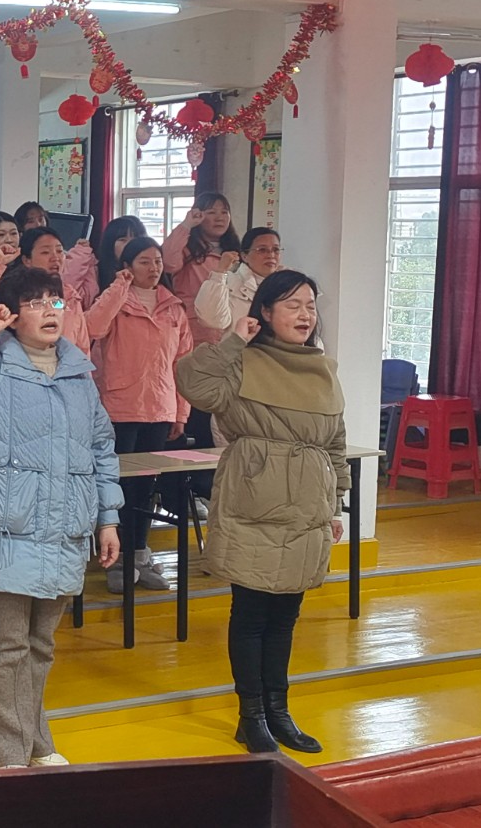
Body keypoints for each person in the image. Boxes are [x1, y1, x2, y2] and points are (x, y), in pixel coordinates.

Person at [0, 267, 122, 769]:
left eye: (55, 302)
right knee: (8, 645)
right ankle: (11, 756)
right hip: (3, 529)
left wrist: (108, 519)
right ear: (12, 315)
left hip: (63, 530)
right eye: (35, 303)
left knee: (41, 645)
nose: (49, 311)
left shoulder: (79, 376)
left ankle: (36, 742)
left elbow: (101, 449)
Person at [175, 270, 347, 755]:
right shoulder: (242, 361)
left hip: (308, 507)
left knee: (285, 615)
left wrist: (336, 505)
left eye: (310, 305)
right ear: (265, 312)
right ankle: (250, 715)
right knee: (251, 614)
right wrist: (234, 339)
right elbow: (192, 381)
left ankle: (279, 711)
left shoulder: (323, 368)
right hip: (254, 501)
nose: (305, 314)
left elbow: (335, 442)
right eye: (292, 304)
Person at [84, 236, 193, 593]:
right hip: (119, 406)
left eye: (157, 261)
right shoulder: (117, 300)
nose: (154, 267)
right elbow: (93, 328)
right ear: (127, 266)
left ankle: (140, 555)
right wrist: (119, 287)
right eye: (144, 261)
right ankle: (116, 559)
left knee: (146, 488)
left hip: (159, 408)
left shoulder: (173, 308)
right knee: (118, 486)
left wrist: (181, 412)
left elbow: (182, 364)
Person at [0, 227, 92, 354]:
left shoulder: (70, 296)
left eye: (60, 251)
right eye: (45, 252)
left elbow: (82, 348)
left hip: (62, 370)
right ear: (26, 260)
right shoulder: (13, 291)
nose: (55, 257)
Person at [162, 193, 241, 346]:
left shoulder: (236, 250)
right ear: (198, 216)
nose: (219, 218)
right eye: (211, 212)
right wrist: (186, 225)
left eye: (224, 212)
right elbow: (168, 262)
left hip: (230, 328)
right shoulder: (187, 248)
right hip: (195, 327)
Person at [195, 227, 283, 335]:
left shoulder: (289, 284)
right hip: (240, 344)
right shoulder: (228, 282)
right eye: (262, 250)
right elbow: (213, 320)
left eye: (276, 249)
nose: (271, 255)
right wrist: (220, 271)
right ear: (244, 256)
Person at [64, 215, 145, 303]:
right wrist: (80, 254)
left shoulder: (150, 271)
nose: (130, 245)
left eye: (135, 240)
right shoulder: (96, 272)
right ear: (110, 244)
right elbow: (70, 297)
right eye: (123, 240)